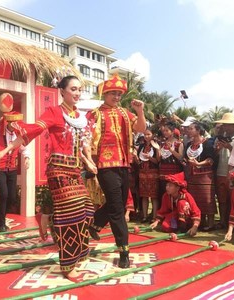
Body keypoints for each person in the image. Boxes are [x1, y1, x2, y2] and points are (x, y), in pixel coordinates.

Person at [0, 76, 96, 282]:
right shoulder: (54, 112)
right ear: (62, 91)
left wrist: (88, 160)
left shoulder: (78, 116)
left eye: (80, 90)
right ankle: (68, 264)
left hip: (75, 170)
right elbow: (31, 131)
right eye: (73, 89)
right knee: (71, 216)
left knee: (87, 211)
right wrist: (6, 151)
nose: (77, 93)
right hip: (58, 171)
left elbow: (82, 144)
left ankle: (54, 226)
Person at [85, 74, 146, 269]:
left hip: (123, 164)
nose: (116, 97)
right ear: (104, 93)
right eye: (112, 93)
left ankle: (94, 224)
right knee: (118, 208)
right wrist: (87, 161)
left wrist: (140, 111)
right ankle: (124, 251)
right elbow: (85, 137)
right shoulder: (95, 114)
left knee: (115, 204)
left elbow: (141, 128)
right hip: (104, 165)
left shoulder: (126, 114)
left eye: (119, 94)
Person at [184, 121, 216, 231]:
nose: (189, 130)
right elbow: (185, 158)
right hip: (192, 176)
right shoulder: (189, 144)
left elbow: (210, 159)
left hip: (205, 176)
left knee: (207, 199)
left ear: (198, 131)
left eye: (191, 128)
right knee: (195, 199)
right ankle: (199, 222)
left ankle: (211, 223)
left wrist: (198, 164)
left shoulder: (207, 143)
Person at [150, 172, 201, 236]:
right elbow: (163, 210)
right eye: (167, 185)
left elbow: (196, 212)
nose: (167, 188)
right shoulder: (166, 196)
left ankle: (184, 228)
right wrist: (156, 221)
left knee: (182, 203)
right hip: (175, 216)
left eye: (170, 186)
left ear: (177, 188)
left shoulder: (187, 196)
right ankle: (177, 227)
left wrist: (195, 227)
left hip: (189, 219)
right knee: (166, 227)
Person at [213, 113, 234, 229]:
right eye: (224, 125)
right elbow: (213, 155)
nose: (226, 127)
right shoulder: (219, 138)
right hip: (220, 171)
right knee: (222, 199)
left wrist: (230, 147)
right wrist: (217, 150)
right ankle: (223, 221)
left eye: (228, 125)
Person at [137, 128, 160, 223]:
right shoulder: (141, 145)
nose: (146, 136)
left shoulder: (156, 146)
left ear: (153, 135)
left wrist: (149, 157)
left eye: (148, 134)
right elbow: (139, 161)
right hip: (142, 173)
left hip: (153, 172)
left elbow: (158, 161)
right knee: (144, 195)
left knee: (154, 196)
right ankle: (145, 216)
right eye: (145, 134)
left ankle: (154, 216)